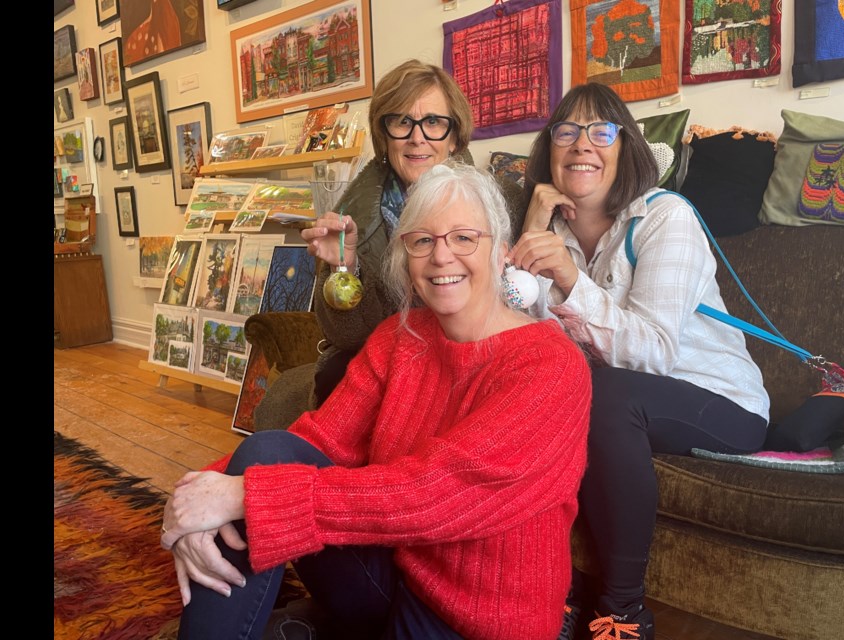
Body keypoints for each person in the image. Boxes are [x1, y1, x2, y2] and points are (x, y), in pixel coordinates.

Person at [160, 162, 593, 640]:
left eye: (464, 237)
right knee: (266, 454)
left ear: (502, 253)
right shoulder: (400, 338)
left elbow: (435, 495)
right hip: (395, 579)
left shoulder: (551, 366)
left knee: (254, 493)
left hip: (478, 623)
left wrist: (240, 497)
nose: (441, 256)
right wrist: (198, 495)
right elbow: (316, 439)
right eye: (422, 241)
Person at [509, 83, 770, 640]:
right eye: (567, 131)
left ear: (626, 149)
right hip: (622, 406)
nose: (583, 145)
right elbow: (518, 348)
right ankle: (545, 584)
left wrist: (569, 280)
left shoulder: (666, 218)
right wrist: (531, 231)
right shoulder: (549, 233)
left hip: (719, 402)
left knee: (606, 395)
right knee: (533, 396)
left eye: (602, 132)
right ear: (548, 150)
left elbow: (651, 356)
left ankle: (624, 612)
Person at [298, 59, 525, 417]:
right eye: (402, 122)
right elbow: (347, 339)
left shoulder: (504, 201)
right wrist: (346, 266)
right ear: (384, 137)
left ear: (453, 137)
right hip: (386, 358)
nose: (417, 137)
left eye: (433, 122)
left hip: (470, 354)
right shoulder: (347, 218)